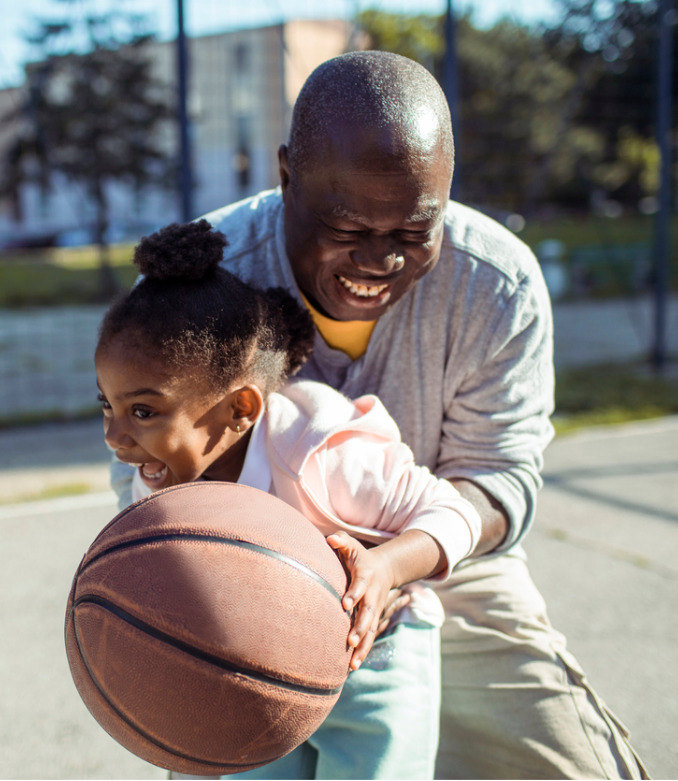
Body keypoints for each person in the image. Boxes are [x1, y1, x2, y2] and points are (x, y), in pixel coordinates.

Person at [111, 52, 648, 778]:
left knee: (575, 768)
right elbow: (144, 464)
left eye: (412, 232)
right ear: (286, 177)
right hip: (236, 573)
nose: (379, 260)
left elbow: (498, 478)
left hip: (437, 565)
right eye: (348, 227)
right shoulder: (198, 275)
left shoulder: (498, 283)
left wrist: (392, 563)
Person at [97, 219, 484, 780]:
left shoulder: (322, 449)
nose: (115, 436)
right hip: (256, 662)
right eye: (105, 405)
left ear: (240, 409)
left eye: (142, 411)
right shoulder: (160, 481)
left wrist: (383, 568)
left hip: (375, 651)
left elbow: (456, 513)